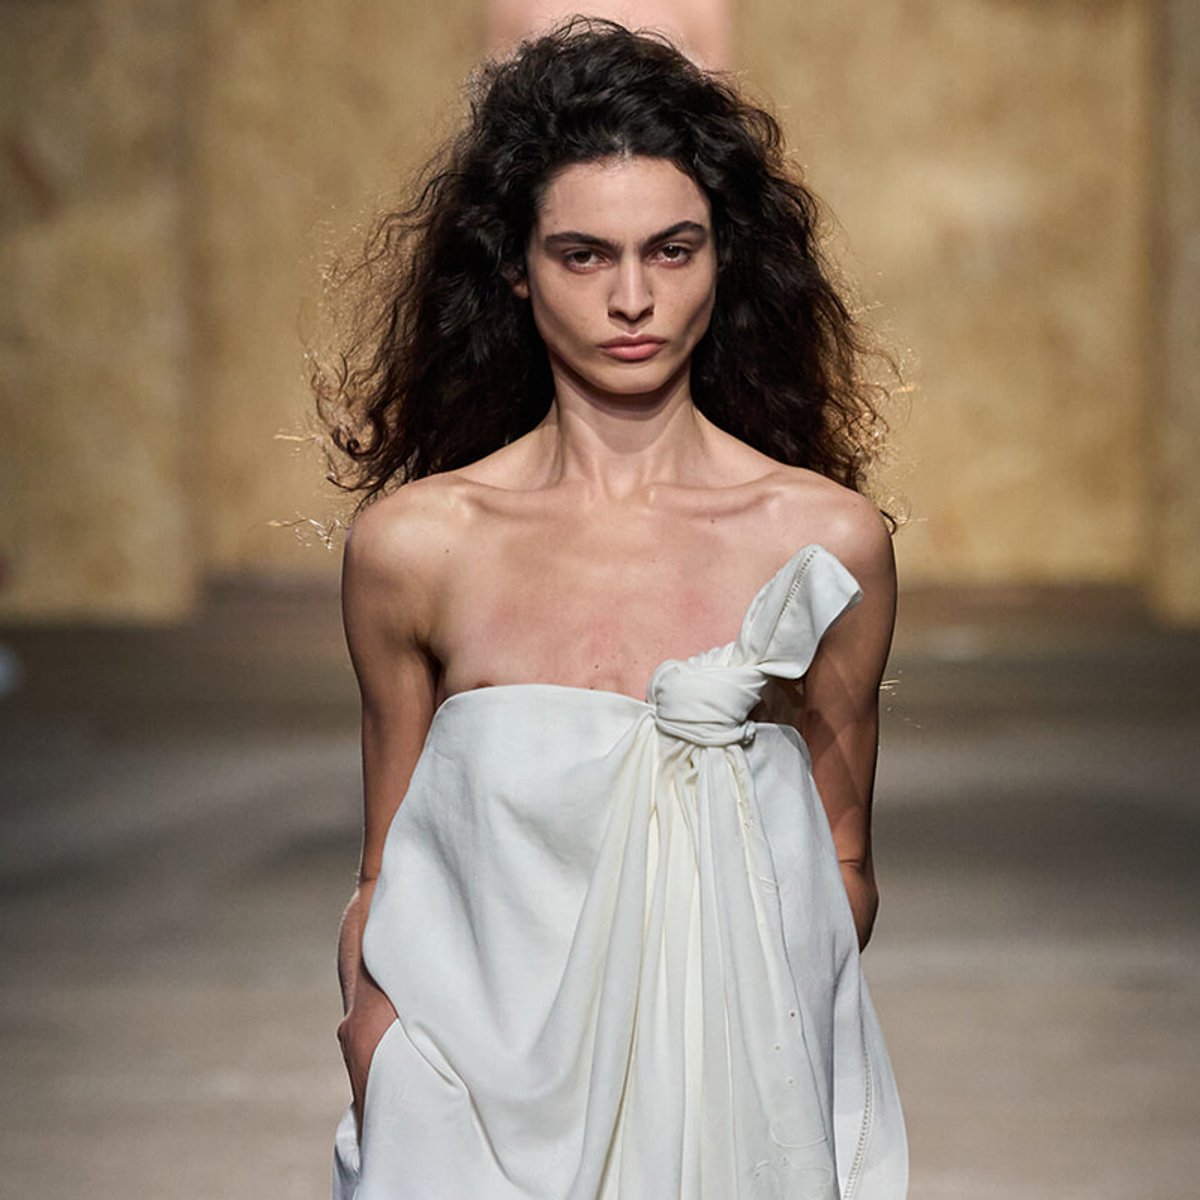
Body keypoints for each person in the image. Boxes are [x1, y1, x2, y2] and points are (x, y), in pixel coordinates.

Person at [316, 18, 907, 1200]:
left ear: (723, 260)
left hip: (734, 1118)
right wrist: (379, 1048)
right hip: (471, 1124)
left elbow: (842, 856)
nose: (632, 298)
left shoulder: (821, 544)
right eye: (584, 256)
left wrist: (739, 1069)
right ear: (514, 268)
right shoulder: (418, 549)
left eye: (672, 250)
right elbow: (392, 866)